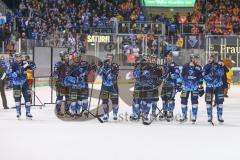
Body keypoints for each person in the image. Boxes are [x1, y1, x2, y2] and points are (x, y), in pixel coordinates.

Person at [9, 52, 36, 119]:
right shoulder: (13, 64)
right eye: (17, 57)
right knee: (17, 97)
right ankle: (18, 112)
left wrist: (31, 64)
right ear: (15, 58)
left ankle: (28, 112)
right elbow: (10, 74)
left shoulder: (25, 63)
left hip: (25, 82)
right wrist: (16, 73)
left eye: (20, 57)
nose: (19, 58)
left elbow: (33, 68)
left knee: (27, 96)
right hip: (16, 83)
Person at [180, 55, 204, 123]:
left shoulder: (199, 68)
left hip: (194, 88)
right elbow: (181, 75)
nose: (197, 61)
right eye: (196, 59)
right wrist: (179, 83)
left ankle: (194, 115)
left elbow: (200, 78)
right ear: (192, 59)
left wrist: (201, 87)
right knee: (183, 101)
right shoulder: (185, 66)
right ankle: (184, 115)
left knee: (194, 102)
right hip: (185, 87)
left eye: (198, 59)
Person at [159, 52, 181, 121]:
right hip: (164, 85)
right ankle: (164, 112)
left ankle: (170, 113)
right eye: (167, 56)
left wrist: (171, 76)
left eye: (169, 57)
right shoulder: (164, 65)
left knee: (171, 99)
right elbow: (162, 74)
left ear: (172, 57)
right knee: (164, 99)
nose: (168, 58)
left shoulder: (175, 65)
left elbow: (177, 75)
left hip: (172, 85)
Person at [203, 55, 225, 123]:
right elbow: (204, 77)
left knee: (220, 102)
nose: (209, 59)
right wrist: (210, 75)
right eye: (208, 58)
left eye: (211, 58)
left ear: (214, 59)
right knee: (208, 102)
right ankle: (209, 116)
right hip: (209, 87)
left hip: (219, 86)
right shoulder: (206, 66)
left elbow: (222, 74)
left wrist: (217, 71)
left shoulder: (218, 65)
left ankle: (220, 116)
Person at [98, 54, 119, 122]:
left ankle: (115, 113)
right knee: (104, 101)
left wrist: (109, 67)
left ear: (112, 59)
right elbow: (100, 74)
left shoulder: (115, 65)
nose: (109, 59)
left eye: (110, 58)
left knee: (115, 101)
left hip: (113, 86)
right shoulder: (103, 65)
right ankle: (106, 114)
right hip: (105, 86)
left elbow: (115, 74)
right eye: (108, 57)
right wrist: (102, 67)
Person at [53, 51, 70, 116]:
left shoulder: (69, 64)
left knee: (68, 98)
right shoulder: (58, 64)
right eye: (66, 56)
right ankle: (58, 111)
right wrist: (58, 80)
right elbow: (55, 73)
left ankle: (67, 110)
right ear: (62, 57)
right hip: (61, 84)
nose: (68, 57)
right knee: (60, 98)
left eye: (68, 56)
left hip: (68, 84)